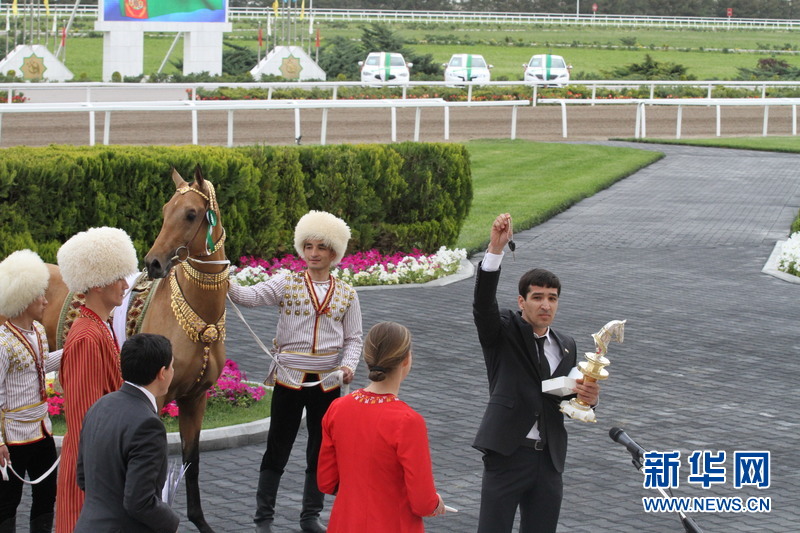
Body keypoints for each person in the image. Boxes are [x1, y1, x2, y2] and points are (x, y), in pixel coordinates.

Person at [228, 210, 363, 533]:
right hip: (289, 378)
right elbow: (250, 297)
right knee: (278, 446)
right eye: (308, 246)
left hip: (328, 382)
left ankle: (310, 517)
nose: (314, 253)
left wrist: (349, 365)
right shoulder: (286, 282)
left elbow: (354, 338)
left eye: (321, 247)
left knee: (320, 450)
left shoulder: (347, 294)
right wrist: (225, 283)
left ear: (334, 252)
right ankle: (263, 519)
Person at [473, 213, 600, 533]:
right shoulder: (502, 331)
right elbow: (483, 303)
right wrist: (495, 250)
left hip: (549, 462)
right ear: (522, 301)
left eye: (552, 298)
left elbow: (565, 396)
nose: (546, 305)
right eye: (538, 298)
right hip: (507, 455)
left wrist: (588, 398)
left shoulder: (567, 345)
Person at [317, 321, 446, 532]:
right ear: (406, 360)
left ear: (367, 358)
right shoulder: (408, 421)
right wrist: (434, 503)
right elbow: (422, 502)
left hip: (346, 522)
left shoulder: (337, 408)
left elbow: (327, 481)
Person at [54, 226, 139, 533]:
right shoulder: (88, 336)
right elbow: (87, 419)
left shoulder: (99, 326)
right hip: (91, 473)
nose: (125, 285)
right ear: (99, 283)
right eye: (118, 277)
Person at [75, 333, 180, 533]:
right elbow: (139, 501)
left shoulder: (100, 405)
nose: (173, 371)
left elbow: (83, 477)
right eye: (172, 366)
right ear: (161, 373)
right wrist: (171, 522)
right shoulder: (148, 425)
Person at [0, 250, 62, 533]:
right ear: (24, 299)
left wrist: (73, 348)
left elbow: (41, 364)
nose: (45, 301)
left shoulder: (38, 330)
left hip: (42, 431)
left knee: (47, 498)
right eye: (40, 295)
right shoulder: (2, 343)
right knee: (7, 503)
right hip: (12, 438)